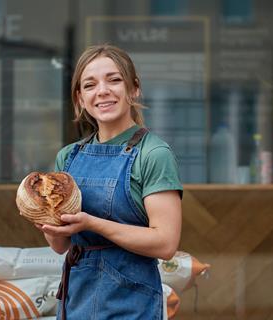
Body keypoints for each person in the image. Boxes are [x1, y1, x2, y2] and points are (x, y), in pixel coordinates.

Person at [36, 44, 183, 319]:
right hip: (76, 299)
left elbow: (165, 243)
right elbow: (60, 246)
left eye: (114, 80)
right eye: (90, 85)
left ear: (134, 88)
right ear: (80, 98)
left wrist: (91, 223)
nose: (102, 91)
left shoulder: (153, 154)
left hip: (131, 303)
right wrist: (48, 224)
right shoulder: (68, 157)